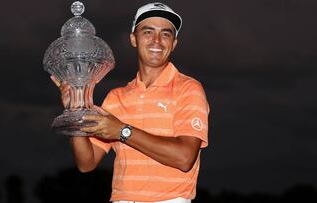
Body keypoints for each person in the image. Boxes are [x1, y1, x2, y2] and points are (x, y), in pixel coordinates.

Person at [52, 2, 209, 203]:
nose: (157, 41)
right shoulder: (116, 97)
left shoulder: (188, 88)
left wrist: (122, 131)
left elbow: (184, 158)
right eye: (148, 32)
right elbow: (86, 163)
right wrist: (76, 111)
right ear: (133, 39)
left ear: (174, 43)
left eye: (166, 34)